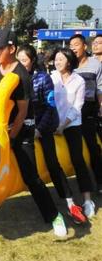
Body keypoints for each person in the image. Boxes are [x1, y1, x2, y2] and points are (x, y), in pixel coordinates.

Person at [0, 28, 67, 237]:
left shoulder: (21, 75)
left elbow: (23, 111)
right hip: (1, 128)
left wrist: (11, 137)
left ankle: (54, 215)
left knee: (31, 176)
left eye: (0, 48)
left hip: (21, 130)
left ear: (11, 49)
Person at [18, 45, 88, 224]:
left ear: (32, 61)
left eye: (24, 60)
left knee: (52, 163)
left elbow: (50, 108)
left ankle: (70, 203)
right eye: (19, 60)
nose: (21, 64)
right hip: (23, 127)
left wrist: (39, 129)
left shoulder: (43, 78)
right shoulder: (15, 78)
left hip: (44, 127)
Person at [50, 47, 96, 219]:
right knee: (53, 161)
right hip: (52, 124)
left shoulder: (79, 80)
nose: (57, 62)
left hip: (71, 125)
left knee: (78, 159)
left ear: (69, 62)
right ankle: (69, 200)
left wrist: (63, 125)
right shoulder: (51, 77)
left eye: (60, 59)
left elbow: (77, 107)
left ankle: (87, 200)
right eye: (56, 59)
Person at [69, 34, 102, 192]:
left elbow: (100, 88)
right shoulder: (69, 64)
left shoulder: (95, 64)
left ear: (84, 46)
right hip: (71, 111)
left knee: (92, 146)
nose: (73, 48)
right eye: (71, 45)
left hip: (89, 110)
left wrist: (101, 106)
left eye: (76, 44)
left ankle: (100, 181)